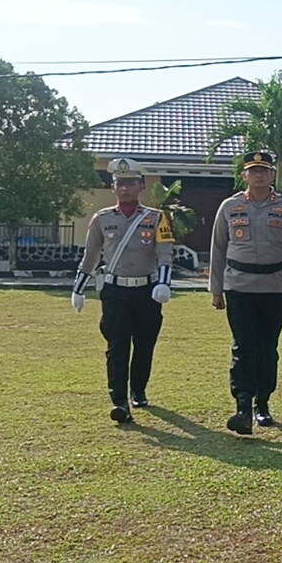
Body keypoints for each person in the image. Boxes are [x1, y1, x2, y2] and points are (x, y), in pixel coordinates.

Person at [209, 151, 282, 435]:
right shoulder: (229, 207)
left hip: (273, 286)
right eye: (253, 170)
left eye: (263, 170)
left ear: (272, 175)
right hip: (238, 286)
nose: (258, 175)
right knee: (243, 345)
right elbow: (218, 248)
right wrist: (215, 289)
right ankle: (242, 405)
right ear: (244, 175)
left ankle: (263, 403)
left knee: (268, 348)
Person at [73, 157, 175, 423]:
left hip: (146, 291)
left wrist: (163, 282)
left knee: (144, 344)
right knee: (117, 346)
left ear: (141, 185)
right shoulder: (102, 219)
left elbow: (165, 254)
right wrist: (79, 289)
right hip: (115, 290)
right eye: (120, 183)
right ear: (113, 186)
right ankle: (119, 401)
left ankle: (138, 389)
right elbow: (91, 256)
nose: (125, 188)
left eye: (131, 183)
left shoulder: (155, 218)